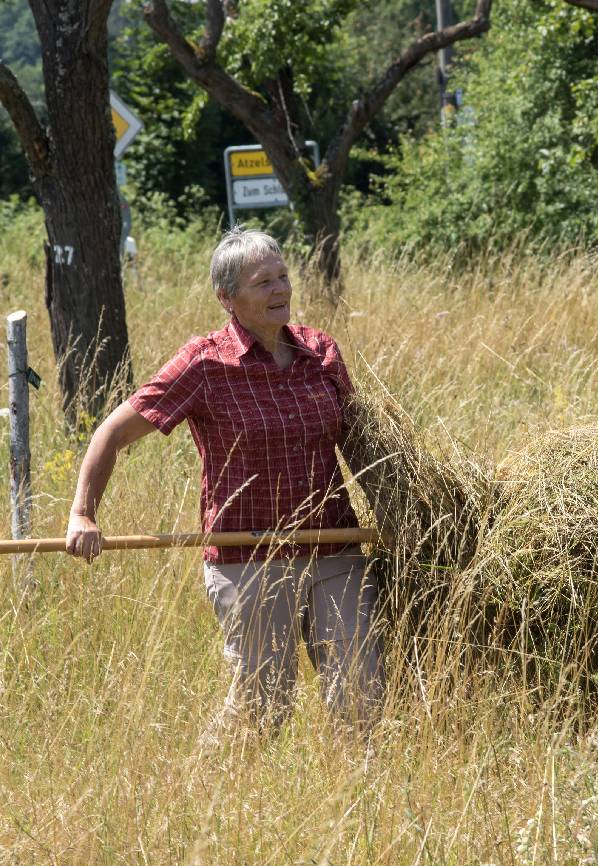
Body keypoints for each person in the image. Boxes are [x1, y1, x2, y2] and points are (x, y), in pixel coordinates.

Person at [64, 227, 382, 733]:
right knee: (263, 707)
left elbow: (363, 444)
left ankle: (368, 803)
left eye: (283, 277)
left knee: (361, 692)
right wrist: (83, 512)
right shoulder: (205, 363)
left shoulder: (320, 352)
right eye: (263, 283)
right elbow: (111, 433)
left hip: (332, 545)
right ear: (227, 297)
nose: (280, 290)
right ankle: (216, 799)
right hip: (246, 555)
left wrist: (406, 507)